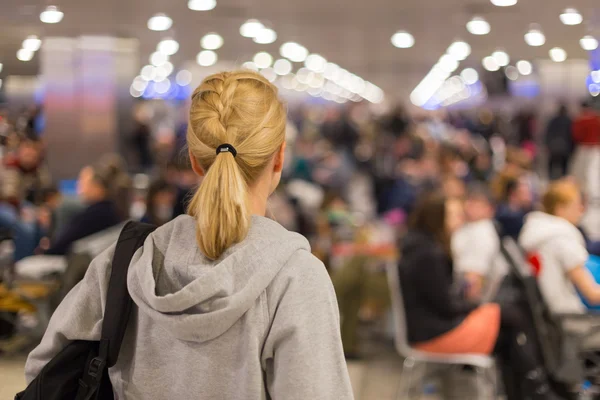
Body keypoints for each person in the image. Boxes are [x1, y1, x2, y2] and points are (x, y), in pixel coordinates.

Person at [25, 71, 353, 399]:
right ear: (279, 157)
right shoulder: (295, 278)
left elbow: (46, 374)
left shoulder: (125, 262)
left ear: (195, 161)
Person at [399, 191, 561, 400]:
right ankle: (536, 385)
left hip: (431, 326)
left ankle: (531, 386)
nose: (461, 218)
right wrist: (476, 305)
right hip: (435, 333)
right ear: (438, 218)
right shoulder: (427, 254)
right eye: (454, 214)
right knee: (512, 315)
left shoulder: (422, 247)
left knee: (509, 327)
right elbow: (445, 306)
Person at [519, 179, 600, 314]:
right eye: (577, 205)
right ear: (560, 208)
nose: (581, 210)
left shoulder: (538, 234)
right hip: (573, 320)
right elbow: (592, 294)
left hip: (553, 318)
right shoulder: (561, 240)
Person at [44, 164, 122, 255]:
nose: (78, 185)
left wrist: (45, 250)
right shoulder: (110, 211)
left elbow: (60, 247)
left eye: (82, 181)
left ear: (98, 187)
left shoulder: (93, 216)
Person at [452, 183, 503, 301]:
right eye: (469, 201)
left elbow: (474, 280)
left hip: (473, 304)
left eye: (476, 203)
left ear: (490, 209)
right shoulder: (469, 227)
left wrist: (467, 310)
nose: (469, 206)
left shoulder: (482, 232)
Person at [571, 100, 600, 194]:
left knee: (583, 171)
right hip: (595, 148)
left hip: (584, 147)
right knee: (593, 171)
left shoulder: (580, 120)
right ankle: (593, 192)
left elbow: (576, 135)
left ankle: (586, 192)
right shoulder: (596, 119)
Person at [495, 173, 532, 240]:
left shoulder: (525, 212)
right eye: (525, 193)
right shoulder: (503, 215)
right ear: (513, 194)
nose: (529, 198)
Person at [545, 104, 573, 180]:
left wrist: (548, 145)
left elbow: (548, 133)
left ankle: (552, 181)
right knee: (564, 168)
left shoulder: (553, 120)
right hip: (565, 148)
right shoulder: (569, 121)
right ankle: (562, 183)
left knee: (552, 167)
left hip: (554, 147)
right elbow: (572, 135)